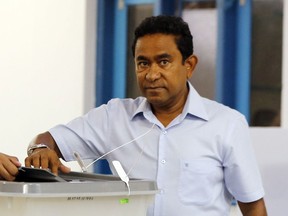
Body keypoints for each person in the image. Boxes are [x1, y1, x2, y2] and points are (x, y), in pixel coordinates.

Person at [25, 15, 267, 215]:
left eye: (163, 62)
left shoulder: (226, 124)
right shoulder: (114, 117)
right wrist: (39, 150)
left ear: (189, 65)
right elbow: (46, 139)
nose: (151, 74)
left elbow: (253, 205)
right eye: (143, 63)